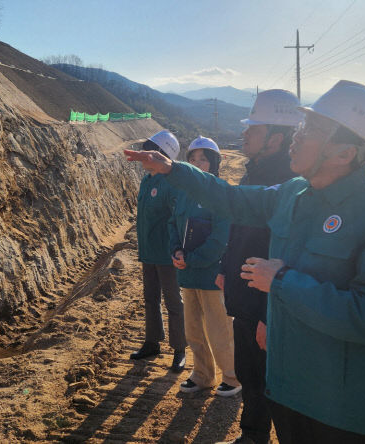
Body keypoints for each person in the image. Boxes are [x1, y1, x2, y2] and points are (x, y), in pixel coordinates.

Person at [125, 81, 365, 443]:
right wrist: (174, 170)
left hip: (342, 409)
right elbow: (232, 199)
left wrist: (282, 282)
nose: (296, 136)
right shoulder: (295, 193)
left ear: (344, 152)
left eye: (310, 130)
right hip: (289, 391)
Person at [216, 90, 303, 444]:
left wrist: (271, 314)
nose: (244, 134)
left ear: (276, 138)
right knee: (251, 376)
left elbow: (287, 251)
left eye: (254, 128)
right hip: (246, 299)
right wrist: (224, 266)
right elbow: (239, 230)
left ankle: (259, 436)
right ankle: (252, 436)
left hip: (266, 304)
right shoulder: (255, 174)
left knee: (274, 384)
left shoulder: (288, 183)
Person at [169, 137, 241, 397]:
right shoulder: (183, 193)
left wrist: (194, 259)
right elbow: (173, 225)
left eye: (203, 159)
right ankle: (202, 375)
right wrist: (176, 251)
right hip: (187, 274)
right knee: (194, 331)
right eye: (193, 159)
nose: (197, 164)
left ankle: (232, 378)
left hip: (211, 275)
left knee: (220, 330)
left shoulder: (219, 192)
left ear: (214, 163)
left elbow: (221, 237)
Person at [130, 130, 187, 373]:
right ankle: (152, 342)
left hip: (166, 254)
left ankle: (180, 349)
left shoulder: (170, 184)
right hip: (148, 251)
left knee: (173, 301)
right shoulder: (147, 181)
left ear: (162, 155)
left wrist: (177, 249)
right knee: (150, 299)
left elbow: (178, 218)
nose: (144, 156)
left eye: (150, 151)